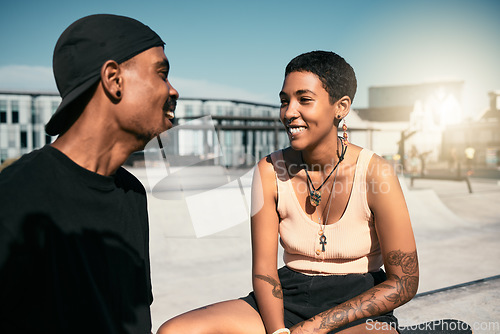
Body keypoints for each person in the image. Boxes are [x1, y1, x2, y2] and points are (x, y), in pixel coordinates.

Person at [157, 51, 418, 333]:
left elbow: (404, 282)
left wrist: (313, 328)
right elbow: (264, 272)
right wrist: (279, 330)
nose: (289, 112)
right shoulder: (269, 171)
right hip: (288, 298)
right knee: (175, 331)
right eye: (284, 101)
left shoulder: (376, 173)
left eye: (304, 100)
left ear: (341, 107)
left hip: (358, 304)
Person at [0, 14, 179, 334]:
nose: (173, 91)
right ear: (114, 79)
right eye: (162, 74)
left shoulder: (132, 194)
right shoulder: (13, 199)